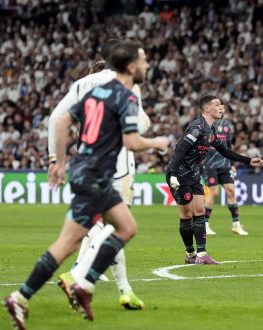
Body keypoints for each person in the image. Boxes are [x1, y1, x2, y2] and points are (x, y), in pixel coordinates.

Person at [3, 40, 170, 330]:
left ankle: (81, 283)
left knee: (123, 228)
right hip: (96, 175)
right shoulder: (127, 96)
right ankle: (33, 294)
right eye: (143, 60)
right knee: (70, 243)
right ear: (130, 66)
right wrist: (157, 143)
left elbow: (60, 120)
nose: (146, 65)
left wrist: (59, 161)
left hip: (87, 171)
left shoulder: (94, 91)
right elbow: (132, 141)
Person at [47, 39, 148, 310]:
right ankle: (77, 276)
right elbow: (140, 124)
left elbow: (58, 119)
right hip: (118, 161)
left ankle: (124, 290)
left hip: (86, 160)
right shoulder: (125, 86)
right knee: (117, 227)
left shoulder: (83, 85)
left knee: (99, 227)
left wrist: (54, 159)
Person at [165, 95, 263, 265]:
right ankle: (190, 253)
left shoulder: (211, 131)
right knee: (186, 214)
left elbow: (225, 151)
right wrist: (173, 174)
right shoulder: (197, 128)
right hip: (179, 174)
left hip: (194, 174)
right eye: (217, 104)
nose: (221, 107)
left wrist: (248, 160)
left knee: (199, 211)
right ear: (207, 108)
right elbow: (180, 150)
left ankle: (202, 255)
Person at [202, 105, 248, 236]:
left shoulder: (227, 125)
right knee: (214, 192)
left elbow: (229, 145)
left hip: (225, 164)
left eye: (222, 109)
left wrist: (232, 163)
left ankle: (236, 225)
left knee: (231, 190)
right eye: (218, 108)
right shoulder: (207, 123)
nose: (221, 110)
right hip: (209, 164)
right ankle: (204, 224)